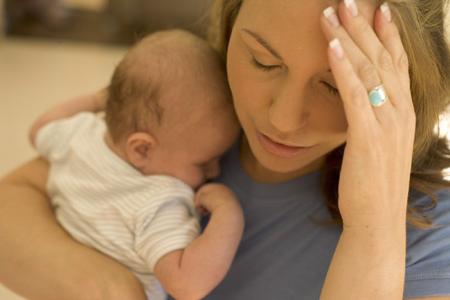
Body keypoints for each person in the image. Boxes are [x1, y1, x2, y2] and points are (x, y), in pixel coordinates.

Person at [1, 0, 449, 299]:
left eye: (335, 87)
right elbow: (12, 205)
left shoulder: (434, 232)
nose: (282, 120)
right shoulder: (192, 107)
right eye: (262, 61)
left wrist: (373, 234)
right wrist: (116, 289)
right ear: (230, 25)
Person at [26, 30, 243, 300]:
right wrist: (228, 214)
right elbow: (187, 285)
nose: (215, 172)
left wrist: (95, 101)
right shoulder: (159, 198)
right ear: (141, 149)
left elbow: (39, 129)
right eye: (204, 162)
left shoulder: (80, 135)